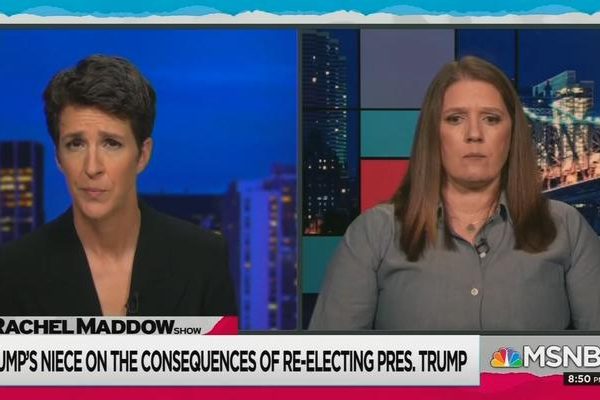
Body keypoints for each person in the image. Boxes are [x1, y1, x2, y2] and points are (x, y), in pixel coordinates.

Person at [309, 56, 600, 330]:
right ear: (433, 133)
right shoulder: (373, 233)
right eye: (455, 119)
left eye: (491, 119)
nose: (474, 134)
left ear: (513, 134)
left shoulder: (566, 228)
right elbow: (329, 364)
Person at [0, 55, 236, 316]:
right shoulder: (13, 271)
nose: (92, 167)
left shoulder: (203, 259)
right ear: (58, 157)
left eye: (111, 143)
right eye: (75, 144)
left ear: (142, 155)